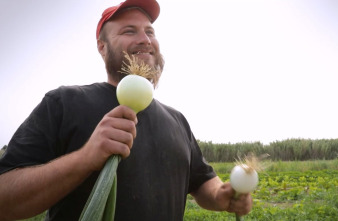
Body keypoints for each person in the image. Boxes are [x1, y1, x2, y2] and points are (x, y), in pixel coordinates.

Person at [0, 0, 253, 220]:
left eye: (150, 31)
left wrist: (222, 196)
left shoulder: (177, 120)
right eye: (129, 31)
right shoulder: (64, 103)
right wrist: (85, 158)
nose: (145, 39)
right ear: (102, 47)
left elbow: (202, 181)